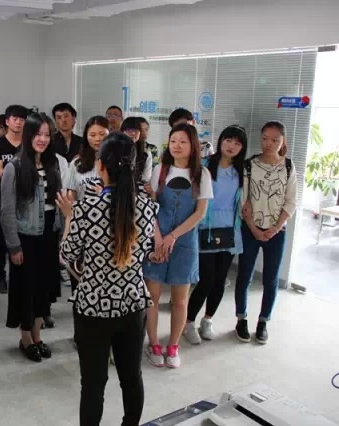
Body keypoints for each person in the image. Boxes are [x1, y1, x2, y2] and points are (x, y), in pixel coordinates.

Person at [58, 132, 158, 426]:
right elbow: (144, 251)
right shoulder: (147, 207)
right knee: (132, 377)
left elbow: (67, 254)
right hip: (132, 304)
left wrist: (68, 216)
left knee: (93, 384)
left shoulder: (86, 209)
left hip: (93, 307)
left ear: (100, 165)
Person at [143, 123, 213, 369]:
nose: (177, 145)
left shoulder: (202, 174)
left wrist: (173, 236)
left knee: (180, 301)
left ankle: (173, 346)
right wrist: (158, 237)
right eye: (173, 141)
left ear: (193, 145)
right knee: (152, 297)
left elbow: (200, 213)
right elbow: (150, 207)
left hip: (184, 243)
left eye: (183, 141)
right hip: (157, 240)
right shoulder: (160, 169)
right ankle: (154, 344)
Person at [0, 113, 66, 362]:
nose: (43, 139)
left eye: (47, 135)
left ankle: (37, 337)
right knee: (26, 291)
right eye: (38, 134)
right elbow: (7, 210)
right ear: (28, 135)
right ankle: (26, 339)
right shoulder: (14, 167)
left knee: (43, 291)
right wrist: (13, 245)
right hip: (26, 238)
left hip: (49, 234)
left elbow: (58, 202)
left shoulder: (52, 163)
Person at [184, 125, 248, 345]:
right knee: (206, 279)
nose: (232, 146)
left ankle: (207, 320)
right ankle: (188, 322)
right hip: (205, 228)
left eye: (237, 143)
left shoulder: (241, 172)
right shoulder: (204, 166)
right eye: (228, 140)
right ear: (221, 141)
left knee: (220, 281)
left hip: (230, 230)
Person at [235, 121, 297, 344]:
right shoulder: (250, 165)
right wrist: (253, 228)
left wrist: (276, 228)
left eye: (275, 140)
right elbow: (244, 202)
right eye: (265, 139)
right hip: (250, 229)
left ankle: (263, 321)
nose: (269, 143)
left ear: (283, 141)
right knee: (244, 275)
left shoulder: (288, 166)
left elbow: (291, 201)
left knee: (271, 279)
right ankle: (241, 319)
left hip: (276, 233)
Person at [64, 116, 110, 292]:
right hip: (82, 229)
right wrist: (68, 231)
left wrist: (106, 194)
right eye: (92, 135)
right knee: (79, 281)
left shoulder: (117, 163)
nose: (97, 139)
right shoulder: (77, 164)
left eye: (102, 134)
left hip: (108, 231)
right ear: (86, 137)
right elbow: (70, 201)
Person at [0, 105, 28, 294]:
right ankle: (0, 275)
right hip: (3, 196)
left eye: (22, 119)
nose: (19, 122)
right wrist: (20, 174)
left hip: (26, 197)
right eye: (15, 119)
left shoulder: (28, 143)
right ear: (7, 121)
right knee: (2, 237)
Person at [121, 117, 152, 183]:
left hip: (137, 187)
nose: (133, 133)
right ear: (122, 132)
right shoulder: (113, 150)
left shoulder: (146, 153)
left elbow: (146, 178)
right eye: (129, 130)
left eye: (136, 130)